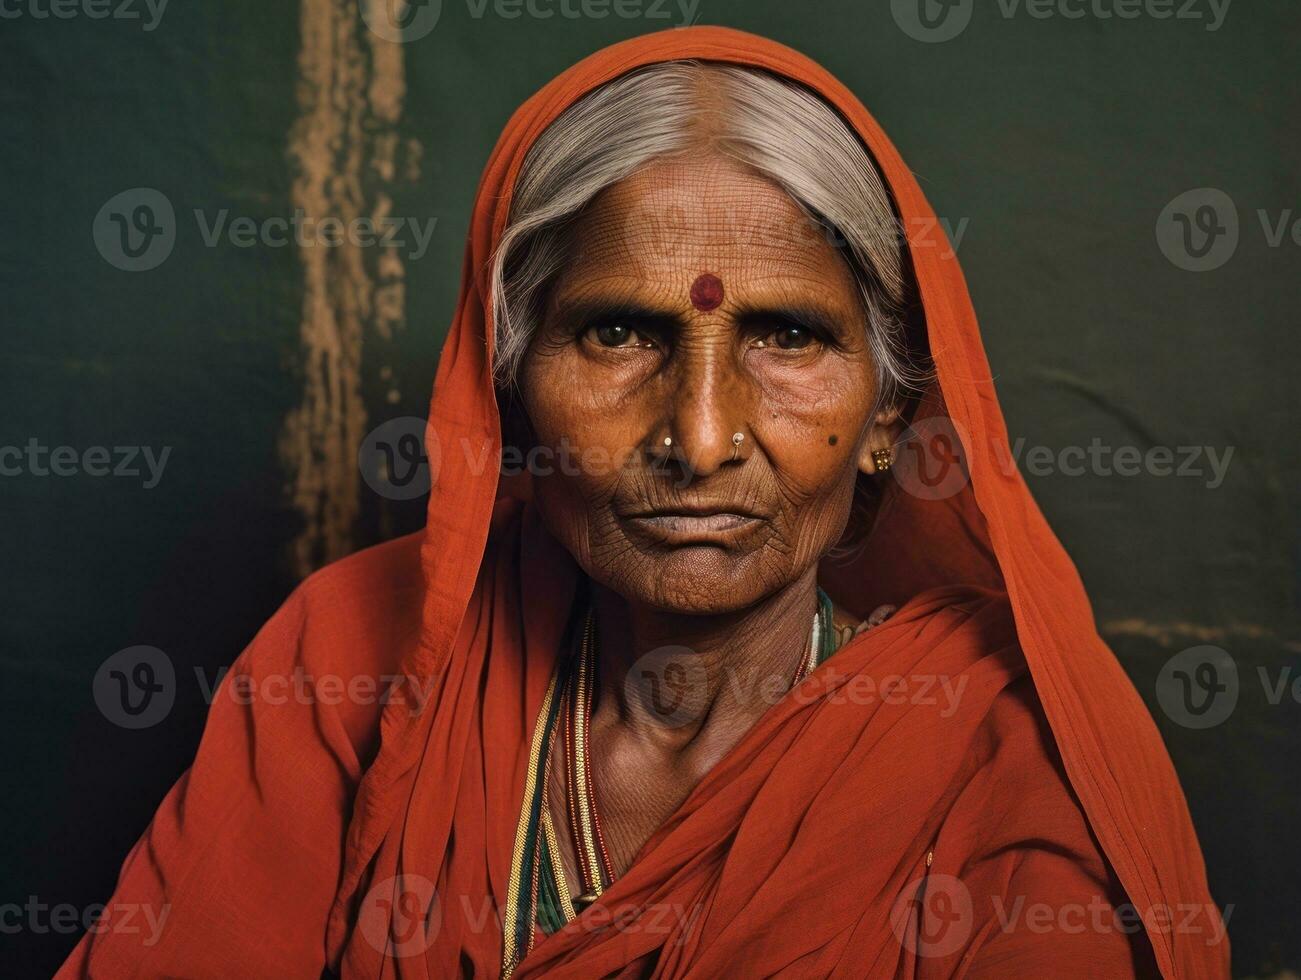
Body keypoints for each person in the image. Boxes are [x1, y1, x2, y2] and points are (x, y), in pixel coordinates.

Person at [58, 26, 1227, 979]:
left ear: (885, 412)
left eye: (787, 336)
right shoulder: (348, 656)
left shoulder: (993, 751)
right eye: (615, 332)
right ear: (506, 384)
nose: (700, 437)